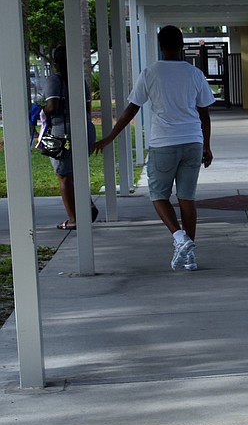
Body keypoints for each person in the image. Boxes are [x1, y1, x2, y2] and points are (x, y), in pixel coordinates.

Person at [93, 25, 214, 272]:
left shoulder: (150, 73)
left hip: (164, 143)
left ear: (161, 45)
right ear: (182, 45)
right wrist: (208, 146)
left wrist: (109, 137)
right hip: (193, 141)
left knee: (159, 196)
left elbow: (131, 110)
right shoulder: (195, 74)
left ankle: (180, 238)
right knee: (187, 198)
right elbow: (205, 114)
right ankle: (190, 256)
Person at [42, 46, 98, 230]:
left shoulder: (54, 80)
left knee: (63, 176)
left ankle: (73, 219)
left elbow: (53, 105)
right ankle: (87, 205)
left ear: (56, 63)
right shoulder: (80, 81)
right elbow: (87, 109)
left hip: (60, 131)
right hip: (85, 129)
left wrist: (40, 111)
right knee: (76, 171)